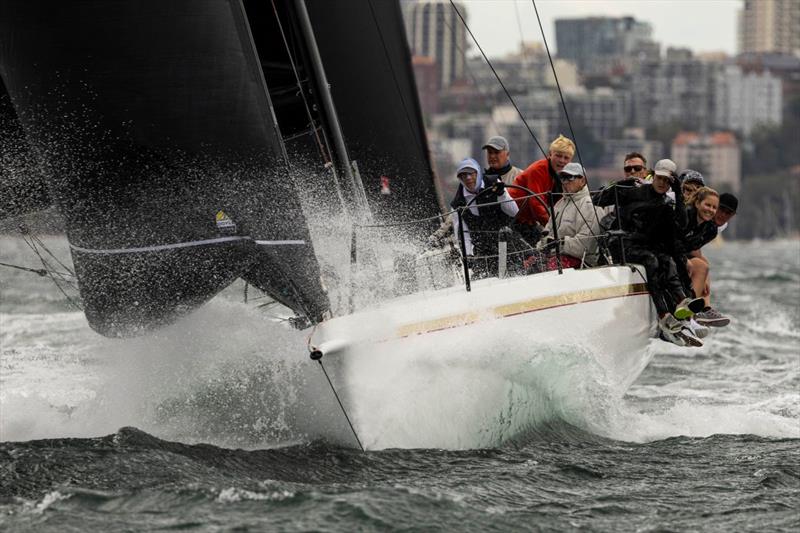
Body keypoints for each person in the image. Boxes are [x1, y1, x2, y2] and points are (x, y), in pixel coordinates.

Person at [594, 159, 705, 347]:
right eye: (659, 178)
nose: (662, 183)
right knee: (652, 261)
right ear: (653, 176)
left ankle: (682, 304)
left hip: (643, 246)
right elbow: (598, 199)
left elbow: (682, 224)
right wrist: (618, 186)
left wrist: (678, 192)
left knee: (667, 261)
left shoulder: (667, 202)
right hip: (622, 244)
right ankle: (663, 314)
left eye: (667, 181)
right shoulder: (635, 191)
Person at [449, 158, 519, 276]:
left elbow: (514, 212)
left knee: (513, 276)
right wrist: (468, 255)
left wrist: (502, 195)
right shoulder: (458, 203)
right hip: (482, 251)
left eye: (471, 173)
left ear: (478, 172)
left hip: (508, 242)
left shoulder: (494, 182)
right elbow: (463, 234)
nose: (468, 178)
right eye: (463, 175)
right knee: (481, 281)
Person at [675, 185, 721, 336]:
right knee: (693, 266)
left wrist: (706, 279)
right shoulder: (685, 215)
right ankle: (683, 315)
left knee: (702, 267)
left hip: (680, 253)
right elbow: (670, 239)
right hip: (662, 248)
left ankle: (689, 316)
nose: (710, 210)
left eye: (714, 207)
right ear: (697, 203)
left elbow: (693, 248)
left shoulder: (710, 229)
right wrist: (683, 259)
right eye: (707, 205)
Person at [689, 192, 739, 327]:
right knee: (702, 265)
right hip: (676, 248)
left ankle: (704, 309)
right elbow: (689, 244)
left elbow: (696, 245)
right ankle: (694, 311)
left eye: (728, 213)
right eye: (721, 209)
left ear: (733, 216)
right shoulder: (702, 216)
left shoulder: (720, 226)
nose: (723, 215)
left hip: (688, 248)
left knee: (704, 265)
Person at [544, 162, 602, 269]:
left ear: (582, 181)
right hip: (555, 256)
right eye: (562, 178)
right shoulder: (560, 204)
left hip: (582, 262)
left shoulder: (590, 205)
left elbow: (586, 246)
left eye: (569, 177)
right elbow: (547, 232)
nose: (564, 182)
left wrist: (559, 243)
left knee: (549, 268)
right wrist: (541, 247)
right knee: (528, 264)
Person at [509, 134, 575, 227]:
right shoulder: (539, 169)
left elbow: (561, 202)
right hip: (514, 217)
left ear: (570, 160)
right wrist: (552, 226)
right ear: (550, 154)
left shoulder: (562, 175)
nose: (562, 161)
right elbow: (536, 202)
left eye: (566, 158)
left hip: (529, 218)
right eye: (558, 156)